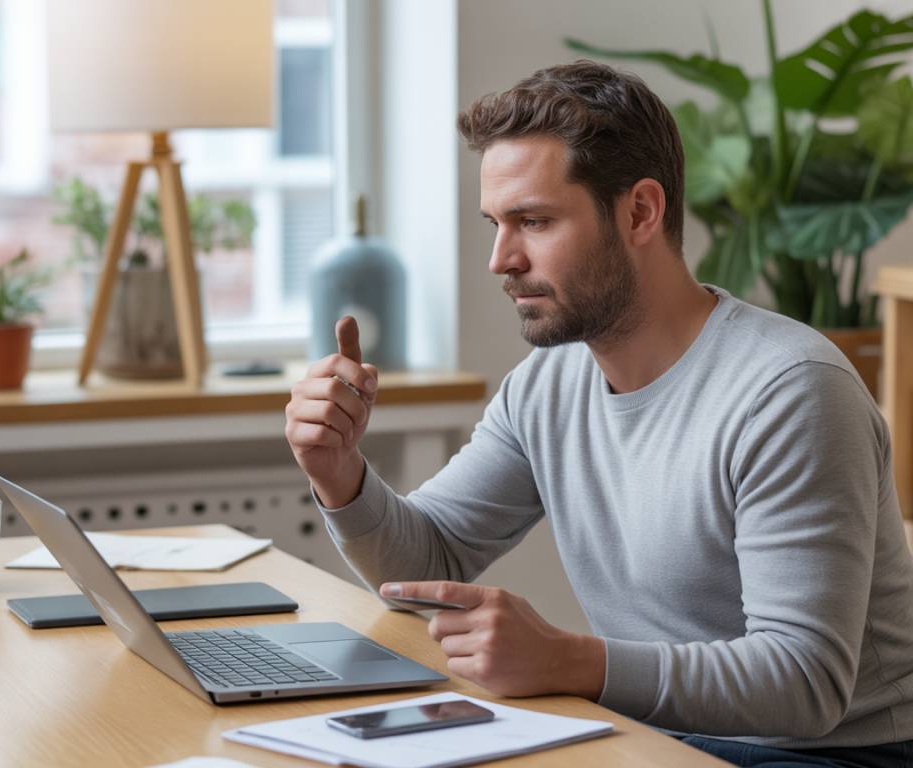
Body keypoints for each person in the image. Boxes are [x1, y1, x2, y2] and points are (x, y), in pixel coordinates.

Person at [284, 61, 913, 767]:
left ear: (640, 212)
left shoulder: (790, 392)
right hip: (656, 736)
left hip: (834, 754)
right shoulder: (547, 387)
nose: (501, 259)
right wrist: (339, 472)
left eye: (534, 221)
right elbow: (429, 559)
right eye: (496, 224)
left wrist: (568, 661)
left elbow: (805, 683)